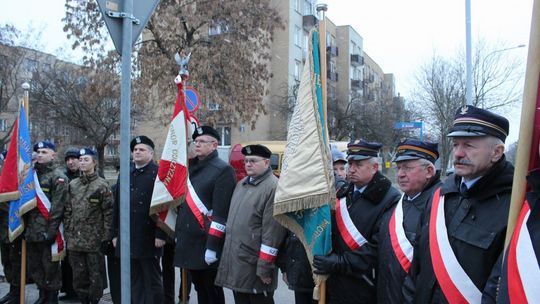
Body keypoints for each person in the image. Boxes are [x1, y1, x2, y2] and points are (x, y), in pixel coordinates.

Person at [403, 105, 514, 303]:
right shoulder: (440, 196)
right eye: (456, 144)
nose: (458, 153)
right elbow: (417, 266)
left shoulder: (513, 207)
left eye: (468, 145)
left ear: (496, 152)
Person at [313, 139, 400, 303]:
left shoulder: (390, 199)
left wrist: (339, 263)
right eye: (350, 163)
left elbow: (377, 248)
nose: (351, 169)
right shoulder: (344, 192)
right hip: (335, 283)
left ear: (374, 167)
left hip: (364, 286)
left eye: (358, 165)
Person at [215, 144, 286, 304]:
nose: (248, 164)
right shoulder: (242, 184)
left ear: (267, 163)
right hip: (238, 262)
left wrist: (264, 267)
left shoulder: (273, 188)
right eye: (246, 161)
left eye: (253, 161)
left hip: (255, 265)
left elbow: (272, 234)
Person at [174, 126, 236, 304]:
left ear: (215, 145)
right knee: (199, 288)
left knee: (211, 291)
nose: (197, 144)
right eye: (196, 141)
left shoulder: (223, 170)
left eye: (202, 141)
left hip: (206, 242)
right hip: (189, 240)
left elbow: (221, 213)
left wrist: (213, 246)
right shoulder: (190, 168)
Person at [375, 139, 441, 303]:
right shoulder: (399, 202)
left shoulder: (441, 206)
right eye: (399, 168)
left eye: (408, 168)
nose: (400, 174)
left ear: (429, 171)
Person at [112, 136, 167, 303]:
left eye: (141, 149)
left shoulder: (158, 174)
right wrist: (115, 234)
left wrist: (161, 233)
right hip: (127, 235)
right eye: (135, 149)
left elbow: (165, 206)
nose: (137, 152)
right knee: (133, 278)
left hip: (149, 235)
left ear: (151, 153)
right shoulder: (126, 171)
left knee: (151, 280)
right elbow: (117, 205)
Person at [64, 148, 113, 304]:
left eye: (86, 159)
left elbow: (109, 213)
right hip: (75, 241)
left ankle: (94, 300)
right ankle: (83, 300)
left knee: (95, 276)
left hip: (94, 241)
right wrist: (68, 232)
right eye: (81, 160)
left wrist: (106, 237)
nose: (82, 162)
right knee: (78, 276)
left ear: (94, 163)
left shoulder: (102, 185)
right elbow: (67, 210)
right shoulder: (73, 185)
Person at [25, 141, 69, 303]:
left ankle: (51, 297)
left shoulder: (58, 177)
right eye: (38, 152)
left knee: (50, 267)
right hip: (31, 230)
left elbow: (58, 208)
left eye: (44, 152)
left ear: (53, 155)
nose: (40, 155)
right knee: (35, 267)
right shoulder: (30, 176)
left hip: (49, 231)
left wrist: (51, 232)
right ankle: (42, 295)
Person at [0, 150, 22, 304]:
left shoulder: (20, 178)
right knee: (6, 261)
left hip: (13, 227)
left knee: (15, 262)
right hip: (2, 229)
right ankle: (12, 290)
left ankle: (17, 292)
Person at [59, 147, 80, 301]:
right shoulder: (63, 177)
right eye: (68, 159)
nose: (71, 162)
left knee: (79, 260)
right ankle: (68, 289)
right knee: (66, 260)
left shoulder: (87, 176)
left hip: (83, 225)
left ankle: (81, 291)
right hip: (66, 224)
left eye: (74, 159)